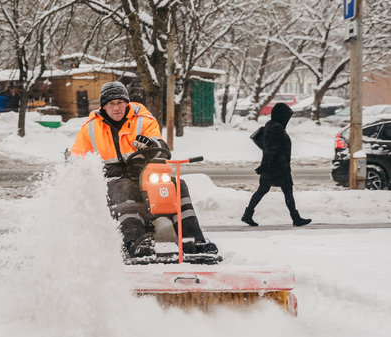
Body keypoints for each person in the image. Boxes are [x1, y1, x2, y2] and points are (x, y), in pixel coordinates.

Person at [70, 81, 217, 259]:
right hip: (111, 178)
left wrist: (152, 145)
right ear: (104, 106)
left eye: (120, 103)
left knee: (177, 185)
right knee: (125, 187)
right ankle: (135, 241)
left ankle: (192, 239)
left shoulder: (143, 119)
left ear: (127, 103)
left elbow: (159, 142)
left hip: (143, 174)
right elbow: (77, 157)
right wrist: (73, 162)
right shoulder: (91, 127)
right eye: (111, 104)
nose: (116, 108)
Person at [242, 102, 311, 227]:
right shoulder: (276, 128)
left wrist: (265, 165)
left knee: (263, 191)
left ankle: (248, 215)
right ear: (281, 115)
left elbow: (269, 147)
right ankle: (296, 218)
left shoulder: (271, 126)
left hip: (274, 166)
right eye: (286, 116)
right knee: (286, 191)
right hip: (278, 167)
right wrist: (266, 165)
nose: (287, 119)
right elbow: (272, 148)